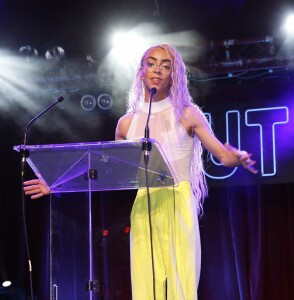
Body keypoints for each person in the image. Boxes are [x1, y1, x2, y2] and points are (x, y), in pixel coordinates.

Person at [24, 43, 257, 300]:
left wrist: (237, 158)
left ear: (174, 75)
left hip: (178, 204)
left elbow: (223, 156)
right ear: (142, 70)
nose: (157, 69)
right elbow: (103, 172)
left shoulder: (187, 114)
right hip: (144, 204)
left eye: (166, 66)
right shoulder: (126, 124)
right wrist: (56, 184)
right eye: (151, 63)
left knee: (181, 284)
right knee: (146, 286)